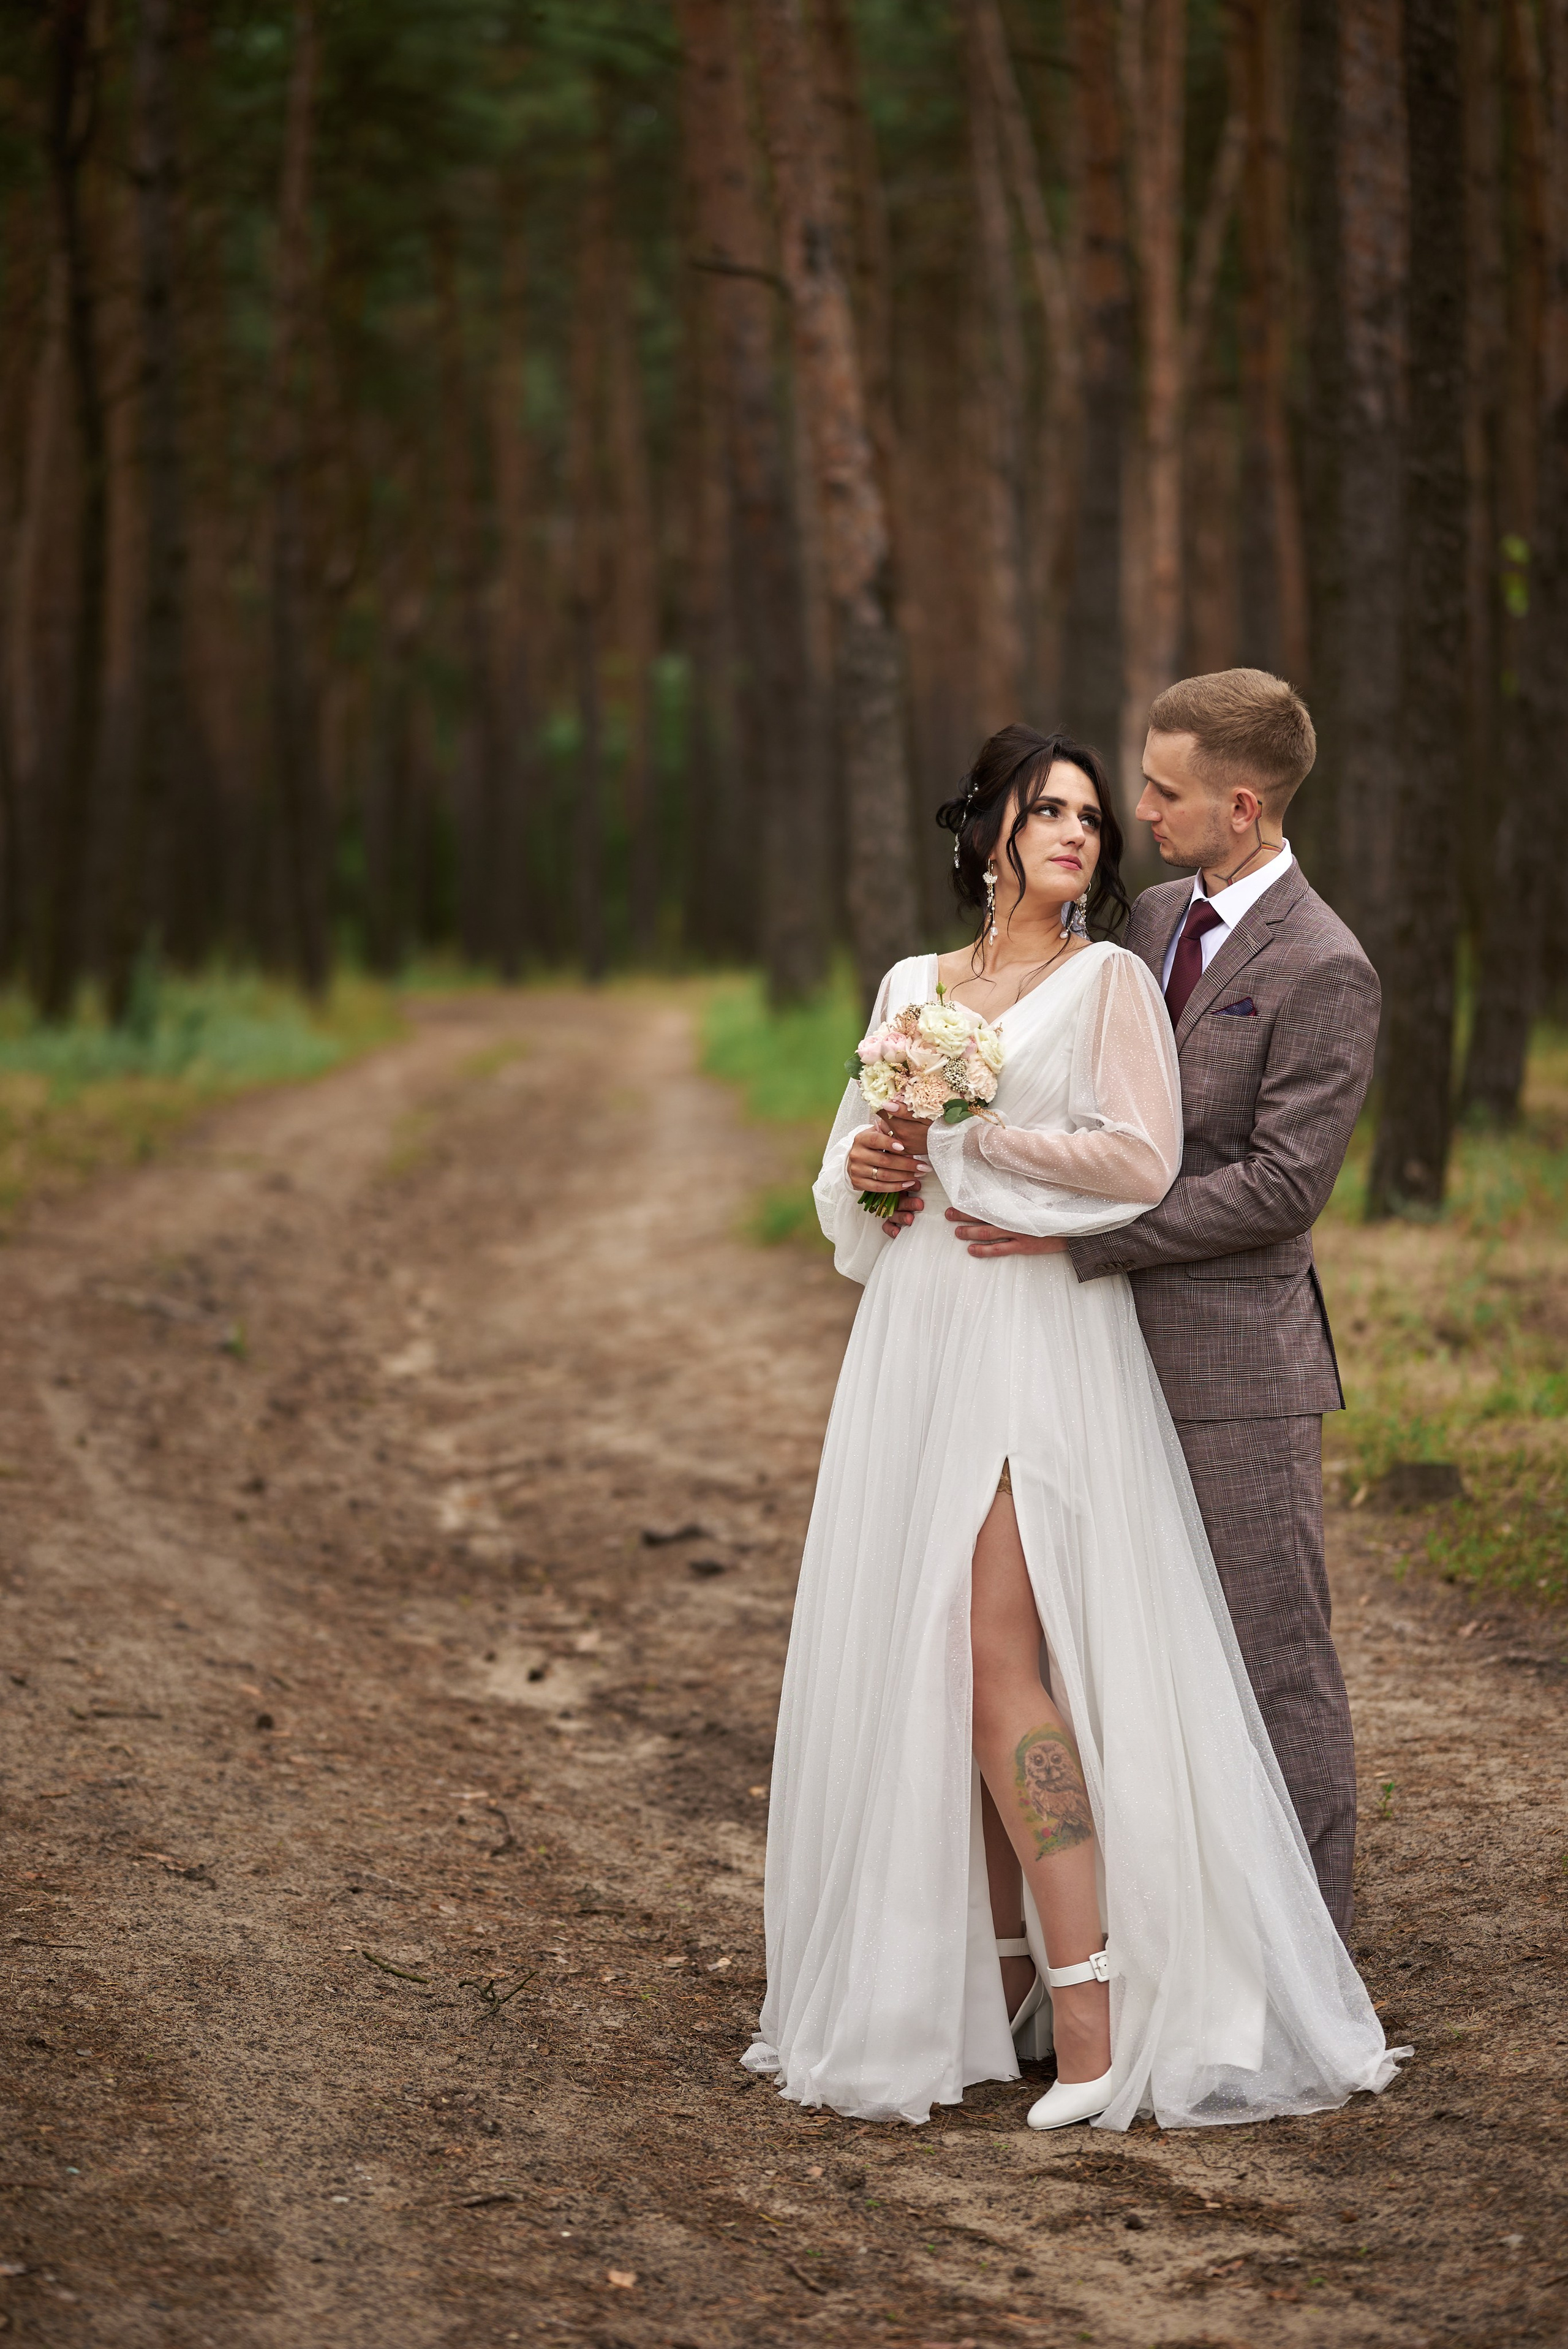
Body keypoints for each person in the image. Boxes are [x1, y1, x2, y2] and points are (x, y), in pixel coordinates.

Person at [744, 721, 1404, 2131]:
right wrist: (877, 1163)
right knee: (929, 1663)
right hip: (917, 1333)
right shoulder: (912, 987)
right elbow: (856, 1194)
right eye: (1052, 811)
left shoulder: (1109, 975)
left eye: (1096, 818)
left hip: (1034, 1333)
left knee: (998, 1667)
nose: (1082, 835)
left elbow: (1136, 1157)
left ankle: (1095, 2014)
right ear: (987, 827)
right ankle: (989, 1997)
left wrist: (984, 1145)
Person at [930, 671, 1375, 1937]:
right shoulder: (1148, 923)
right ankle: (1152, 1937)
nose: (1138, 809)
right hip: (1093, 1366)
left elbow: (1281, 1188)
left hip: (1235, 1373)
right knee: (1109, 1653)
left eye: (1163, 791)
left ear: (1239, 806)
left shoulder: (1325, 966)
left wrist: (1073, 1238)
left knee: (1267, 1657)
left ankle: (1310, 1960)